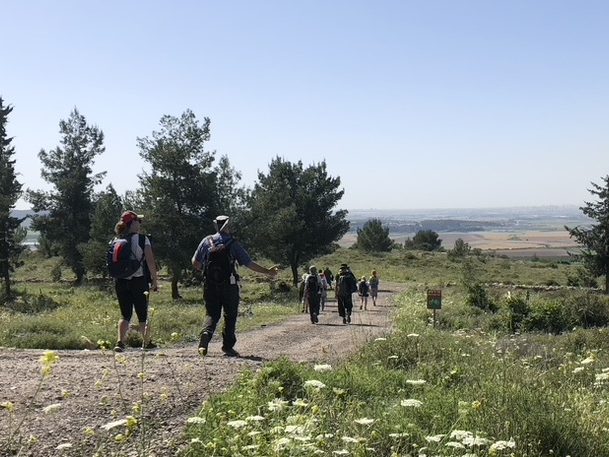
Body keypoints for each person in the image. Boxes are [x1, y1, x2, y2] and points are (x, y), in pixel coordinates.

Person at [192, 215, 277, 357]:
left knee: (212, 314)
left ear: (216, 226)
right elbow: (249, 263)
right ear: (228, 227)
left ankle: (206, 334)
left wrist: (209, 272)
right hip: (229, 285)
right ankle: (227, 347)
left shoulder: (206, 241)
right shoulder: (233, 243)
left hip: (210, 285)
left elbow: (195, 262)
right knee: (230, 315)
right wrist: (268, 272)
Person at [113, 211, 159, 353]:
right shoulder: (142, 239)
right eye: (138, 221)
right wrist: (155, 280)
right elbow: (150, 261)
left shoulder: (116, 240)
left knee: (125, 314)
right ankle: (146, 342)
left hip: (120, 281)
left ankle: (120, 342)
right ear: (132, 223)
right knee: (142, 313)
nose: (140, 223)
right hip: (138, 281)